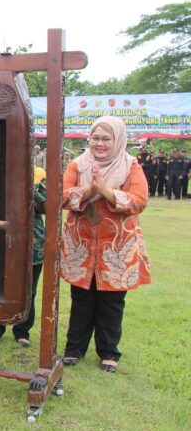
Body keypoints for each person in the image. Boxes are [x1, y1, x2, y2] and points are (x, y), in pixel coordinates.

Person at [60, 116, 151, 373]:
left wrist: (106, 191)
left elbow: (139, 200)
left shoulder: (131, 166)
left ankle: (109, 352)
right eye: (95, 138)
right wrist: (90, 190)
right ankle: (74, 349)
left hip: (117, 246)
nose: (99, 144)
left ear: (118, 140)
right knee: (81, 298)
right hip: (81, 244)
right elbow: (62, 197)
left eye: (106, 139)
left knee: (112, 301)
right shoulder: (78, 165)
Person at [0, 167, 46, 347]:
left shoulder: (39, 175)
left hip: (31, 243)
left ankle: (22, 331)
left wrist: (33, 188)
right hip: (1, 240)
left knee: (28, 290)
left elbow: (46, 207)